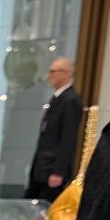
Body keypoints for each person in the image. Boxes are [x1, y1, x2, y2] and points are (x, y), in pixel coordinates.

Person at [25, 56, 83, 201]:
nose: (49, 76)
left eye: (53, 72)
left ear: (66, 73)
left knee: (45, 207)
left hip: (51, 170)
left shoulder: (70, 100)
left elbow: (68, 138)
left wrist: (58, 172)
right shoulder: (59, 97)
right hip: (42, 167)